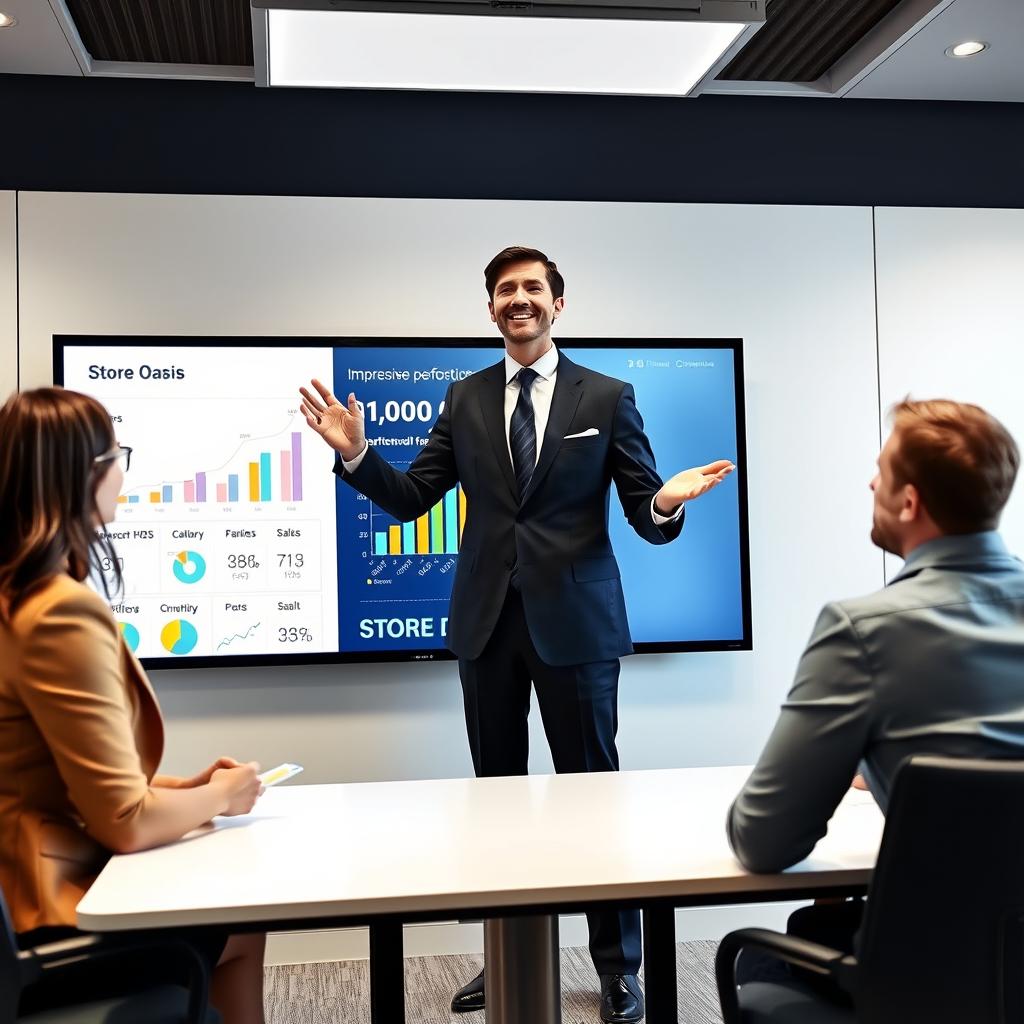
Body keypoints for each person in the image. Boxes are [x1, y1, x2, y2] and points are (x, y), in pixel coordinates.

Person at [301, 245, 734, 1023]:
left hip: (579, 627)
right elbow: (410, 498)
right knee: (496, 803)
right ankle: (506, 957)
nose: (519, 299)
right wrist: (359, 455)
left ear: (558, 305)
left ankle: (618, 969)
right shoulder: (464, 398)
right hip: (487, 627)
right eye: (505, 290)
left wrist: (666, 500)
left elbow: (644, 514)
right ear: (491, 307)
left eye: (533, 288)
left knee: (594, 801)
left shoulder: (606, 396)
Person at [727, 397, 1024, 997]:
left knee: (761, 967)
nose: (870, 481)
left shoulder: (864, 630)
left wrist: (861, 754)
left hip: (934, 980)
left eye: (881, 470)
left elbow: (764, 841)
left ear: (909, 501)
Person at [0, 387, 267, 1023]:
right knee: (244, 925)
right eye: (118, 455)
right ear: (83, 475)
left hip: (20, 881)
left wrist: (185, 785)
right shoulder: (59, 611)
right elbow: (124, 819)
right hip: (49, 913)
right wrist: (224, 797)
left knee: (242, 928)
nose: (123, 470)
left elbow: (62, 776)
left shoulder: (15, 595)